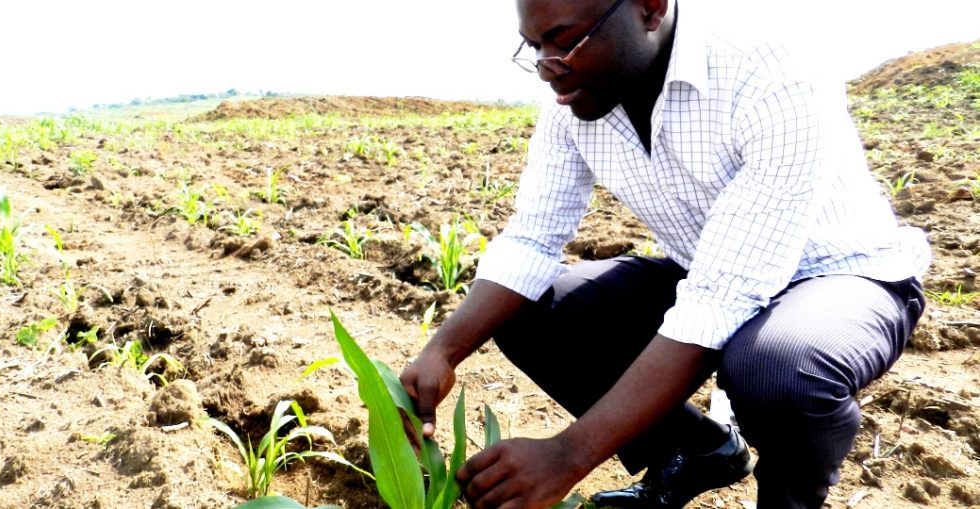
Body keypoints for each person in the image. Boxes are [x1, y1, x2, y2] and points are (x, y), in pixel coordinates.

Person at [398, 0, 930, 508]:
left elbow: (723, 297)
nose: (545, 68)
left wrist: (570, 453)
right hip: (705, 268)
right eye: (533, 47)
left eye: (564, 41)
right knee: (528, 311)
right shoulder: (578, 93)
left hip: (839, 276)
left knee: (775, 372)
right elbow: (532, 238)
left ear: (650, 8)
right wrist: (442, 351)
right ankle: (700, 450)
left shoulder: (771, 69)